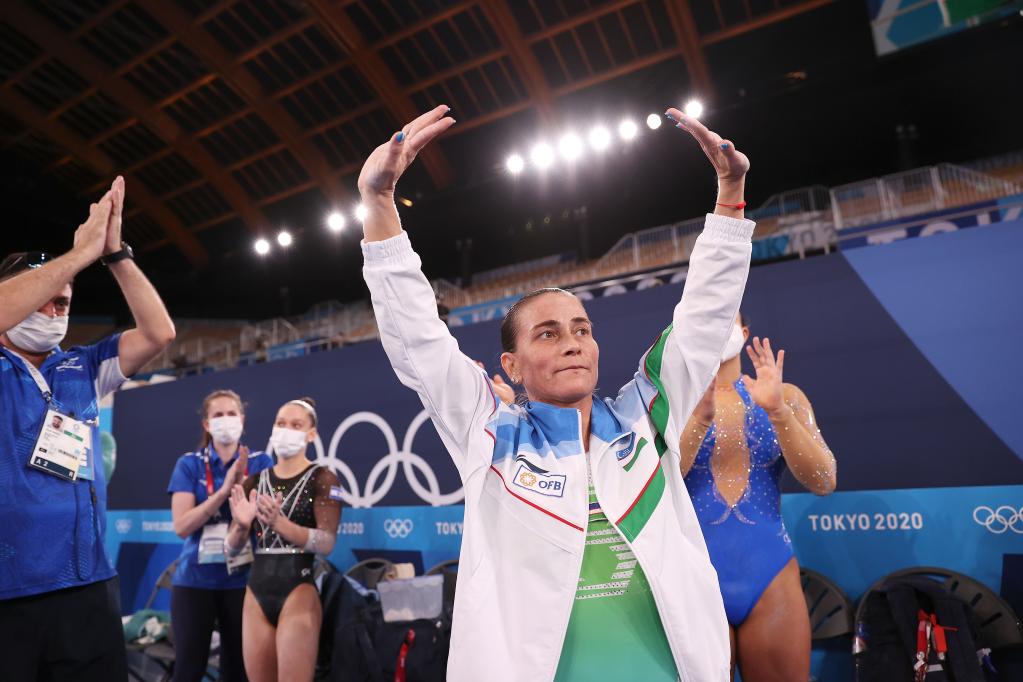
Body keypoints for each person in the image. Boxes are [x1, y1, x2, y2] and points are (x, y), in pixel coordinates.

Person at [359, 105, 754, 681]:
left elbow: (703, 316)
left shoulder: (646, 417)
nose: (572, 344)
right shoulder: (488, 432)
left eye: (581, 330)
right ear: (512, 365)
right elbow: (417, 338)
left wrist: (731, 194)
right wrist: (378, 202)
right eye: (548, 334)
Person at [0, 176, 176, 681]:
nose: (53, 310)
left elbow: (159, 332)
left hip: (87, 585)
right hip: (10, 592)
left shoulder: (83, 365)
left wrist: (114, 253)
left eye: (63, 303)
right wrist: (78, 255)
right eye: (42, 298)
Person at [678, 314, 837, 681]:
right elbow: (657, 483)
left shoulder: (786, 397)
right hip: (695, 579)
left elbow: (824, 480)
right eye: (708, 316)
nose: (717, 323)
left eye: (726, 314)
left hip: (770, 576)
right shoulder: (672, 403)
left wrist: (778, 412)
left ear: (744, 332)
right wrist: (698, 420)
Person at [225, 398, 342, 682]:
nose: (286, 429)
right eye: (281, 423)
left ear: (311, 434)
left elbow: (326, 543)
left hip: (298, 591)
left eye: (296, 425)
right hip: (256, 593)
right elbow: (230, 549)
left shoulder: (324, 479)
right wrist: (241, 527)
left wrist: (280, 524)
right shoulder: (254, 481)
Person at [166, 389, 274, 682]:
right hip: (195, 580)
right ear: (206, 424)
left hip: (244, 580)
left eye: (231, 413)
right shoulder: (189, 464)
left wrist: (246, 506)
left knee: (238, 671)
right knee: (188, 670)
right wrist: (224, 492)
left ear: (242, 419)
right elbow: (182, 526)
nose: (225, 420)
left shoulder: (261, 463)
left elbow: (269, 523)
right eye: (218, 415)